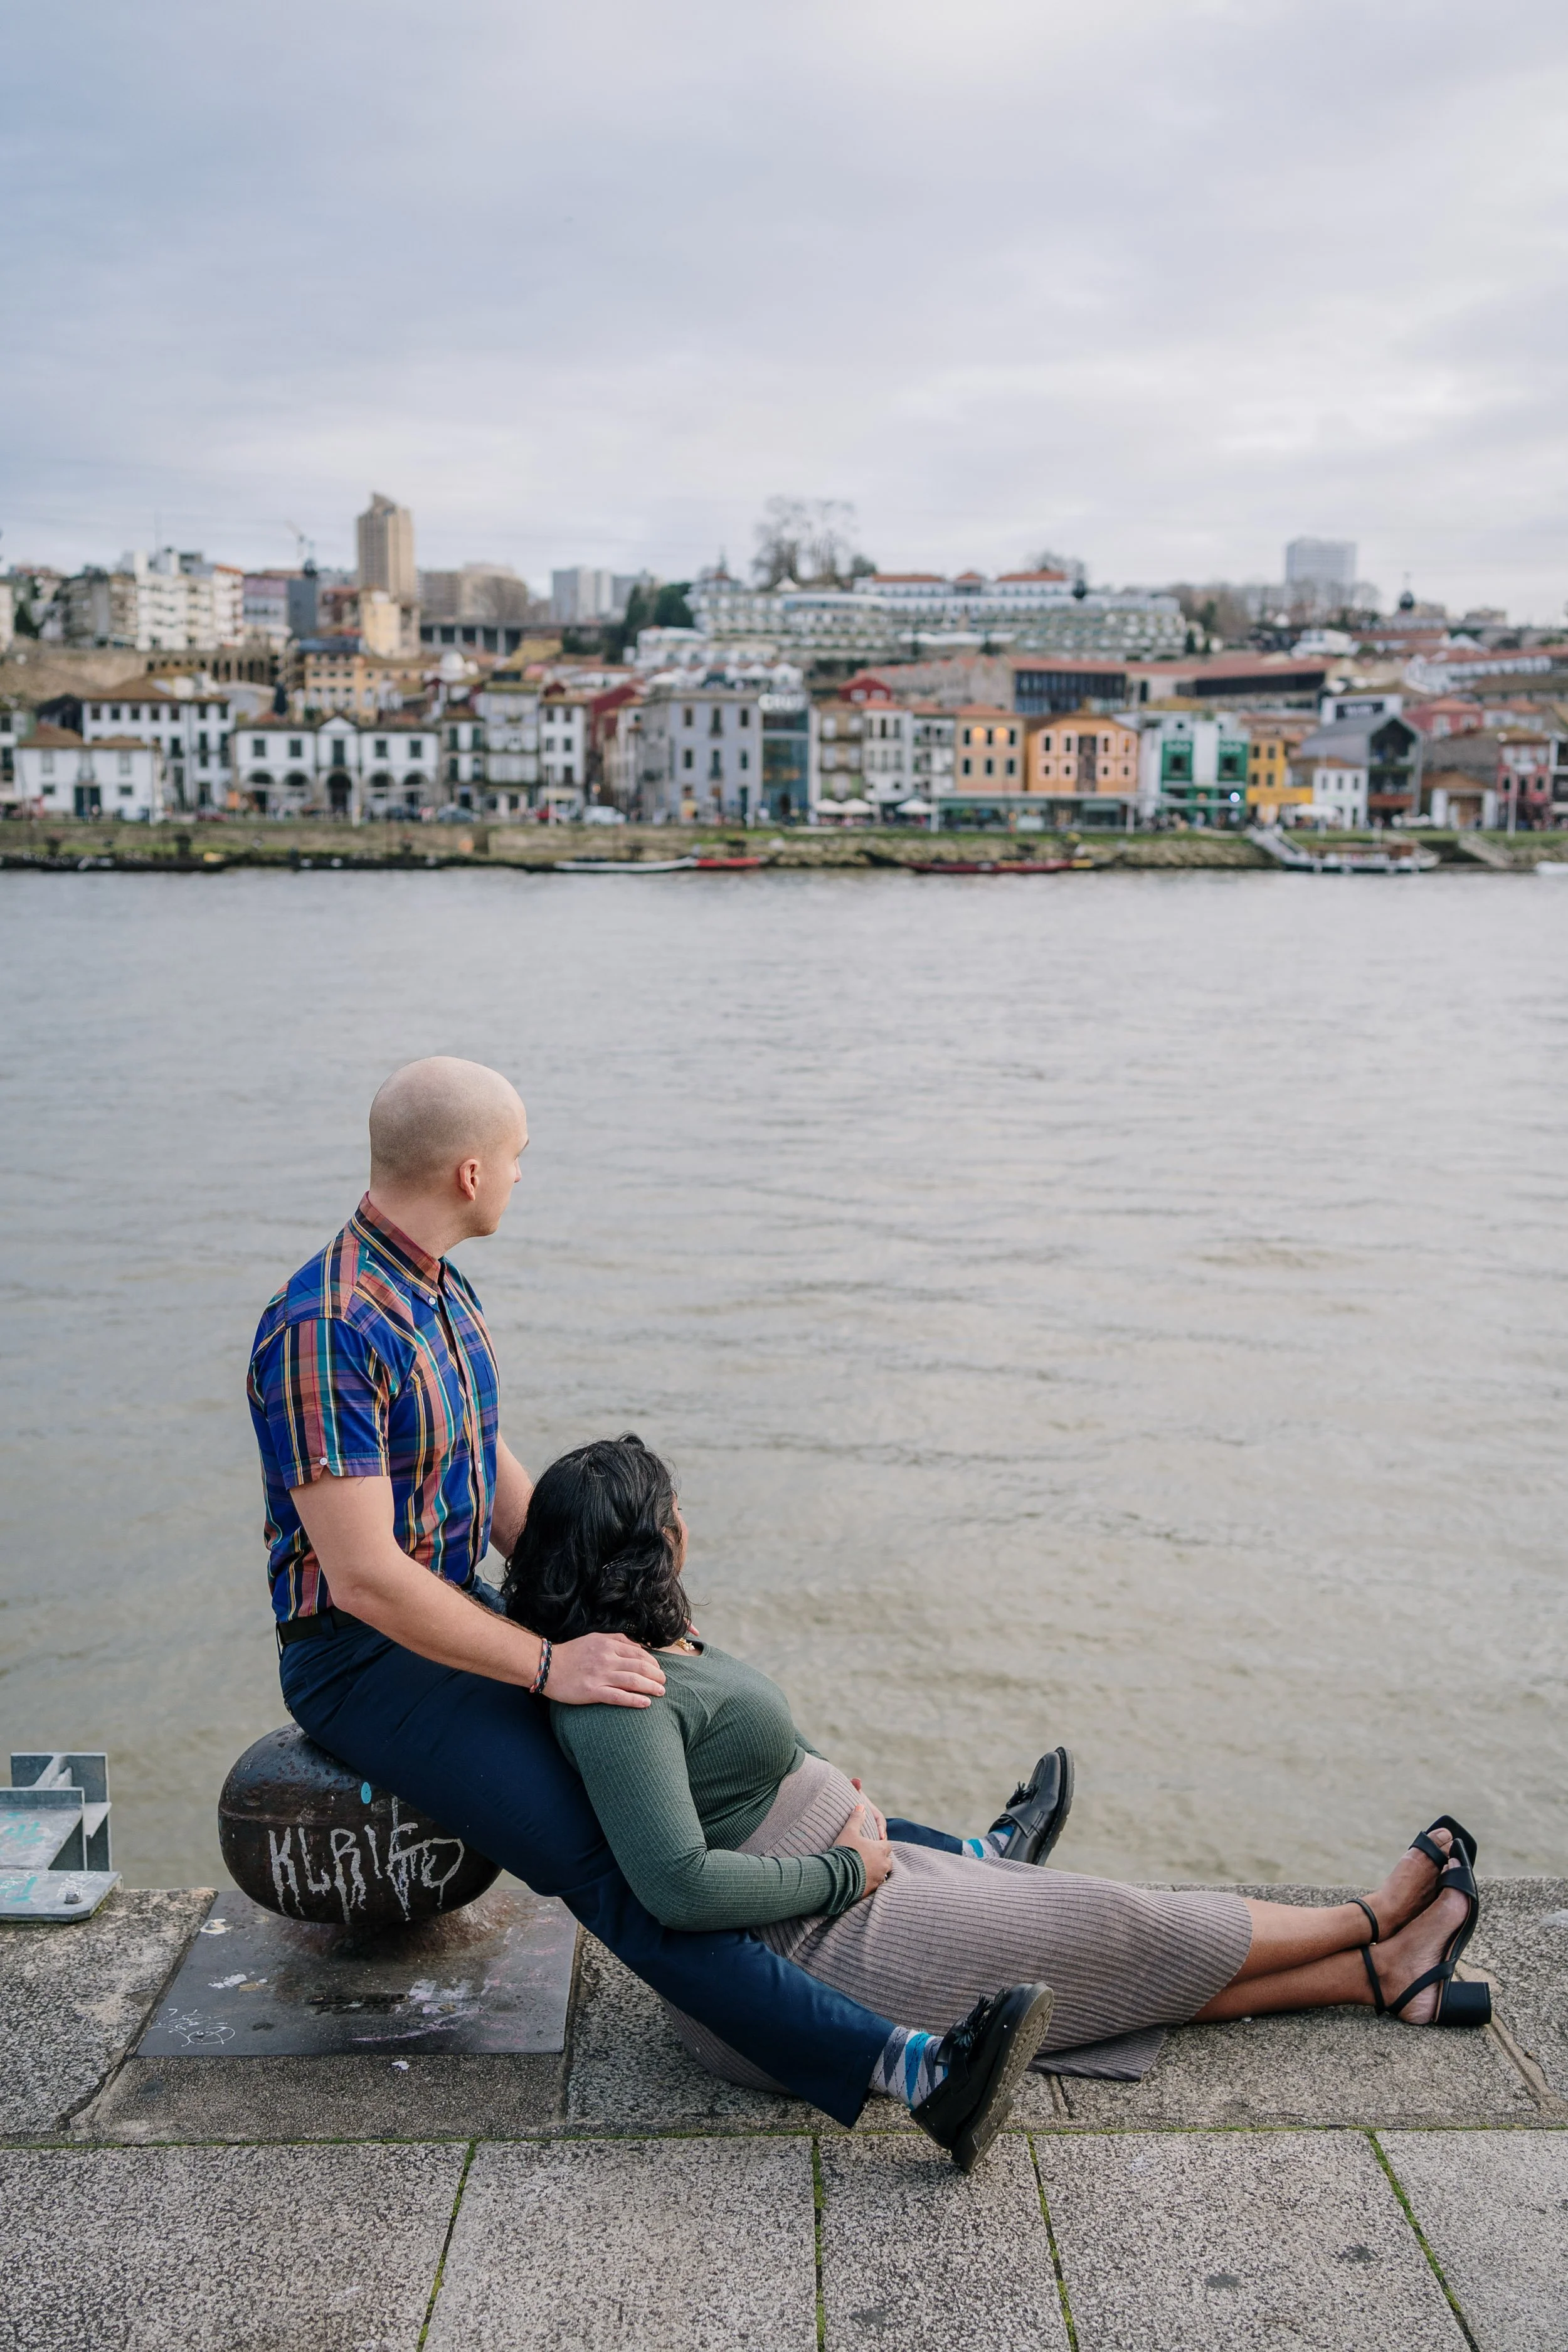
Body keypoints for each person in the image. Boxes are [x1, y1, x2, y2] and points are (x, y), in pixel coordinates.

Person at [246, 1057, 1064, 2171]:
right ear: (470, 1168)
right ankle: (915, 2071)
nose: (525, 1178)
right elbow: (363, 1578)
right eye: (521, 1160)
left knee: (691, 1704)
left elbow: (480, 1469)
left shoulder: (435, 1284)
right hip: (364, 1663)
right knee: (606, 1862)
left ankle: (971, 1851)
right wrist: (547, 1663)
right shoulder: (325, 1326)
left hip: (457, 1610)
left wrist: (605, 1607)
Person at [502, 1431, 1491, 2092]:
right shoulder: (614, 1700)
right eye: (675, 1512)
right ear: (648, 1547)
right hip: (817, 1941)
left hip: (853, 1892)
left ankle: (1376, 1974)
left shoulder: (640, 1649)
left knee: (1106, 1965)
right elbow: (675, 1884)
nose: (689, 1525)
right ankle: (1372, 1917)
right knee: (1120, 1923)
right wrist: (851, 1866)